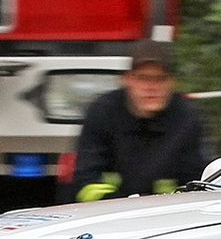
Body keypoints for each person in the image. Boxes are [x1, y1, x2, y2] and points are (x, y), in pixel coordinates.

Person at [64, 44, 210, 202]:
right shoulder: (102, 112)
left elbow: (198, 183)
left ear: (172, 81)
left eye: (160, 79)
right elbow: (86, 182)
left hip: (167, 215)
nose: (152, 87)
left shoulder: (187, 117)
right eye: (143, 78)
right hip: (109, 214)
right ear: (126, 79)